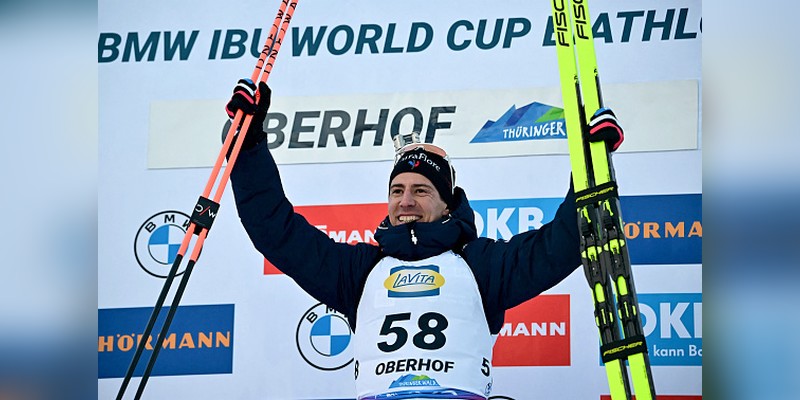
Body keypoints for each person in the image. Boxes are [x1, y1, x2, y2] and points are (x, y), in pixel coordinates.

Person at [225, 79, 624, 400]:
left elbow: (563, 244)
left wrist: (591, 167)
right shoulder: (360, 271)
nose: (406, 201)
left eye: (421, 190)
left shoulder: (480, 265)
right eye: (397, 190)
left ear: (446, 204)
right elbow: (275, 231)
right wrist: (249, 147)